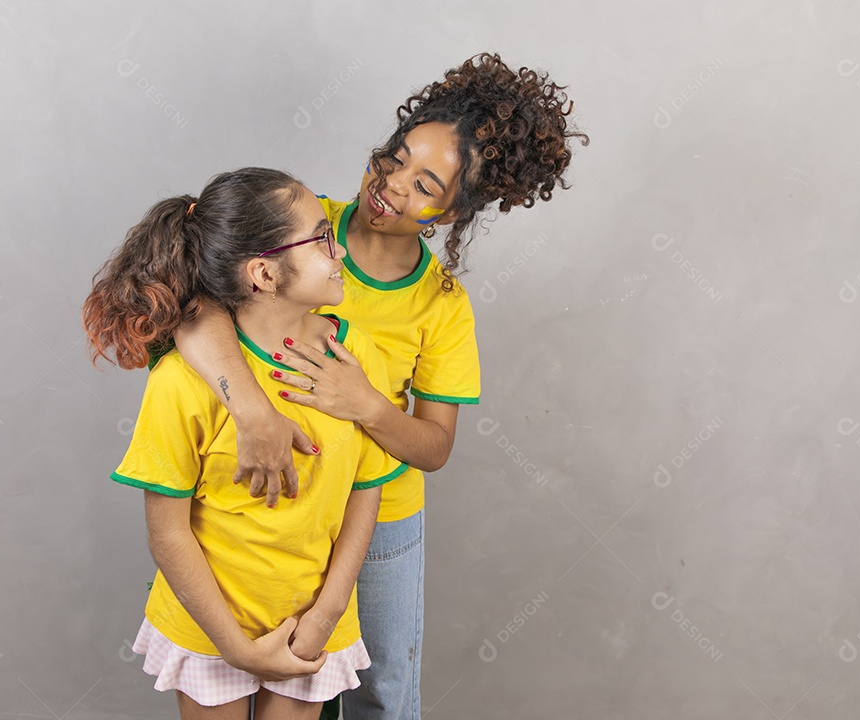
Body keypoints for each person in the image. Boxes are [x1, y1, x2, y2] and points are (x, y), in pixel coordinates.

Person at [158, 53, 588, 719]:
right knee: (270, 677)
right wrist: (252, 412)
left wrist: (363, 403)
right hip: (279, 505)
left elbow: (434, 446)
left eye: (425, 184)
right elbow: (194, 314)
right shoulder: (304, 232)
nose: (391, 184)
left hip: (378, 516)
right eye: (395, 157)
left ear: (453, 211)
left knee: (380, 692)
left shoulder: (442, 306)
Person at [82, 167, 408, 719]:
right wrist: (234, 646)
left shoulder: (359, 359)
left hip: (311, 622)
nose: (341, 254)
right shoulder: (181, 383)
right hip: (210, 626)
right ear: (263, 273)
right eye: (323, 239)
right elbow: (168, 531)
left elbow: (364, 492)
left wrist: (326, 615)